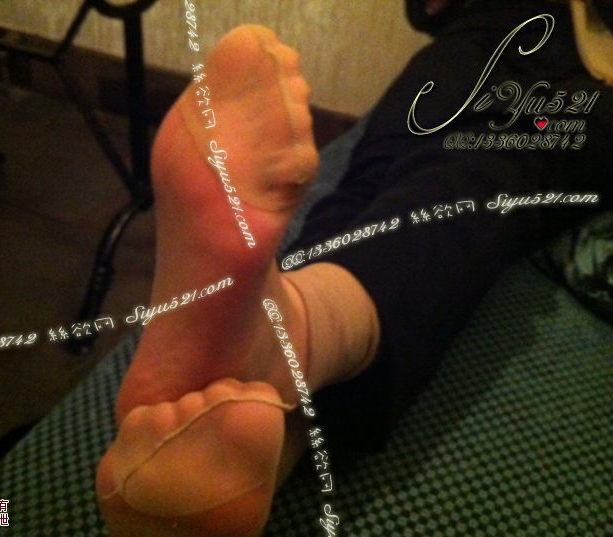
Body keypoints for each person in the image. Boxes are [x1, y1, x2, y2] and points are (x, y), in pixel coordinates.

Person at [95, 1, 613, 535]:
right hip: (488, 22)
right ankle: (274, 389)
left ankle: (297, 334)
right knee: (373, 176)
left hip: (594, 75)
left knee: (473, 173)